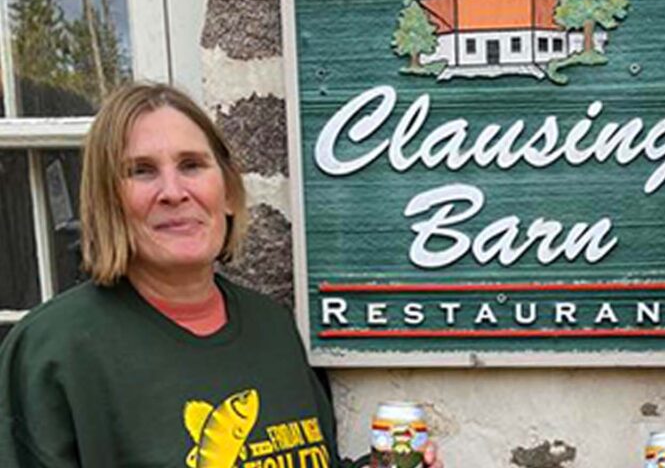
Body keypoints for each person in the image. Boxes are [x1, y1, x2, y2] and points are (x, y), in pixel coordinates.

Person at [0, 84, 441, 467]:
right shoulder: (53, 351)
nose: (174, 192)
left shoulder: (272, 327)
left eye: (191, 165)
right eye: (141, 171)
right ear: (107, 200)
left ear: (227, 190)